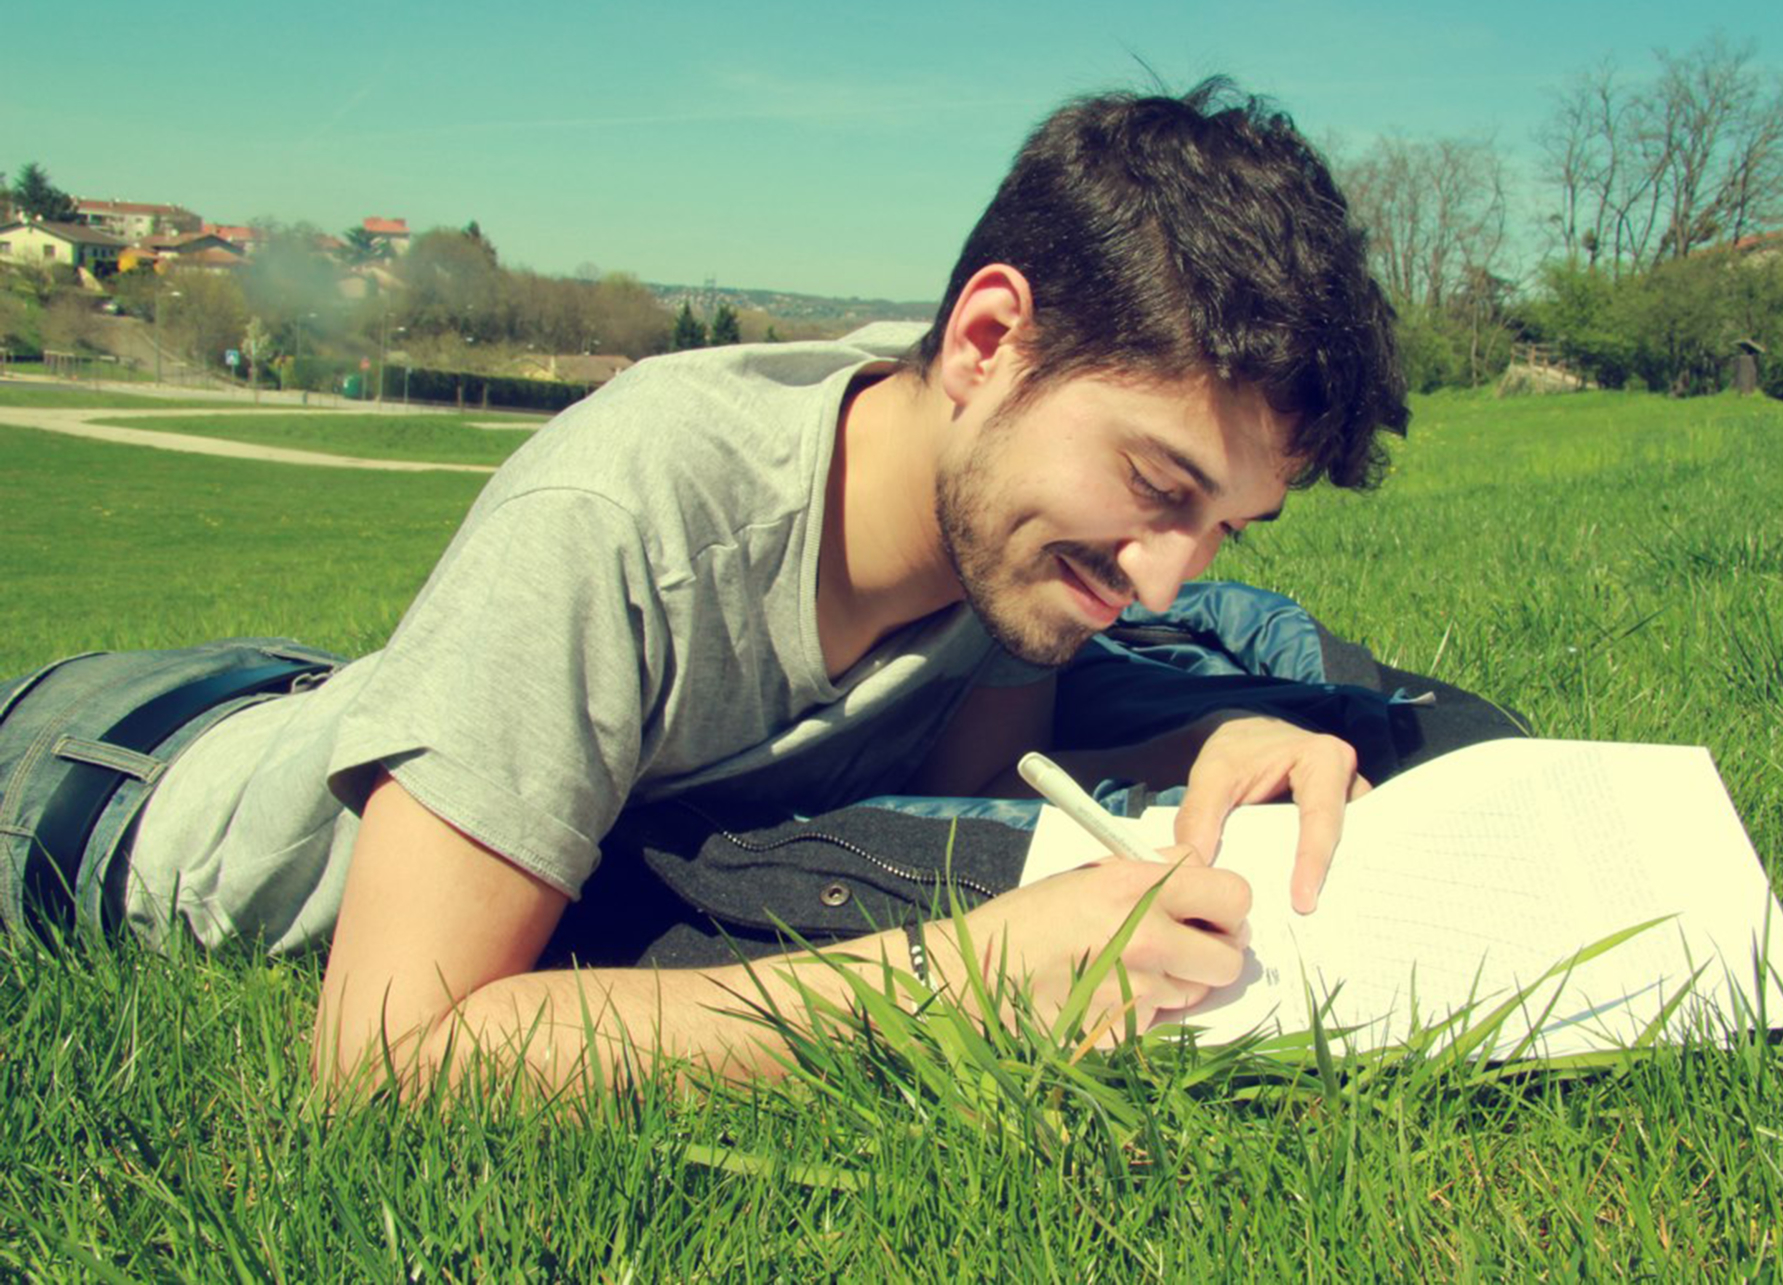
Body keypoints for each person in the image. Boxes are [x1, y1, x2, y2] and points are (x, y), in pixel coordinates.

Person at [0, 79, 1408, 1092]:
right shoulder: (634, 500)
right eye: (1160, 487)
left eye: (1228, 523)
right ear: (988, 340)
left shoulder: (1003, 503)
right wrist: (965, 979)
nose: (1166, 575)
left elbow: (986, 774)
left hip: (326, 694)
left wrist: (1197, 742)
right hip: (106, 779)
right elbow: (381, 1055)